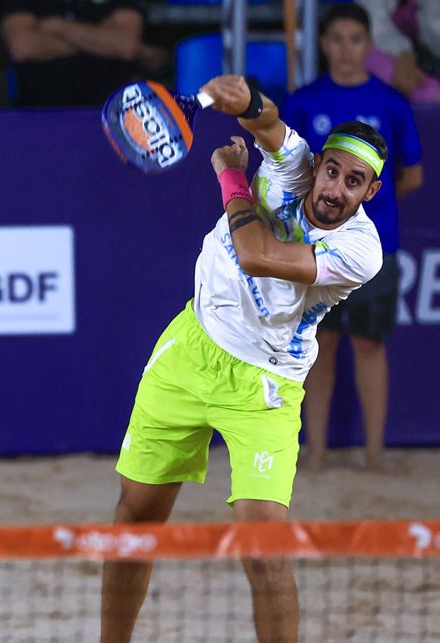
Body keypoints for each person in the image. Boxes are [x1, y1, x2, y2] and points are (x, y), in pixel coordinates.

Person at [100, 74, 386, 643]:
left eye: (354, 183)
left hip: (266, 386)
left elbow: (256, 255)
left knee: (263, 554)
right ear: (320, 163)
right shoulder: (293, 166)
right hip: (191, 349)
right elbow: (267, 121)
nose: (335, 190)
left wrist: (230, 174)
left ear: (368, 193)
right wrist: (236, 98)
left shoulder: (361, 250)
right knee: (134, 518)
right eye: (333, 172)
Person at [282, 3, 423, 471]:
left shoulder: (391, 102)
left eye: (355, 39)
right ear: (323, 45)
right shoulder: (303, 101)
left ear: (370, 45)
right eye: (336, 39)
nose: (345, 48)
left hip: (375, 249)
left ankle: (376, 453)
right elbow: (292, 173)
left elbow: (413, 174)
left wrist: (360, 211)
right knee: (318, 343)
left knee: (370, 345)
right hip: (315, 247)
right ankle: (315, 451)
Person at [0, 0, 144, 107]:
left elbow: (126, 46)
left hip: (110, 114)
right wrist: (98, 36)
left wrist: (58, 26)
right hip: (38, 113)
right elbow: (22, 47)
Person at [360, 0, 440, 103]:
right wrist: (404, 55)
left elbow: (435, 26)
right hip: (390, 54)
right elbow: (376, 30)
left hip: (430, 52)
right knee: (365, 53)